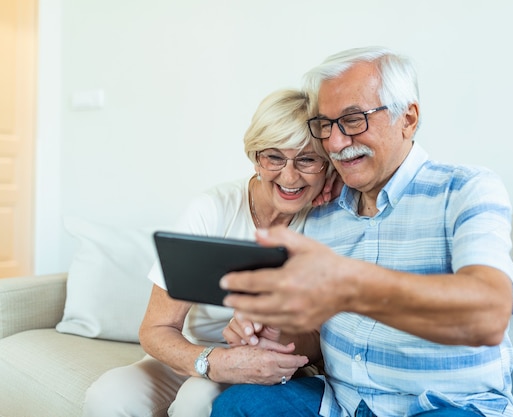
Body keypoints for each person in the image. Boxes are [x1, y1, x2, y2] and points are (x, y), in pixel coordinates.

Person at [211, 46, 513, 417]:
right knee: (238, 405)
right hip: (343, 404)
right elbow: (315, 340)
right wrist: (280, 335)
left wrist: (351, 284)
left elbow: (488, 316)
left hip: (448, 405)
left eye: (354, 119)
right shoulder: (323, 210)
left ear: (407, 118)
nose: (335, 142)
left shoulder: (466, 189)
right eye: (325, 125)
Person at [82, 88, 334, 417]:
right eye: (274, 156)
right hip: (195, 352)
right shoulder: (212, 209)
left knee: (197, 400)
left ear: (327, 164)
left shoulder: (328, 222)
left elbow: (318, 339)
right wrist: (212, 362)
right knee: (108, 396)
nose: (289, 176)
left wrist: (272, 340)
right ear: (256, 157)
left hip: (270, 359)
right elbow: (156, 328)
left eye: (307, 159)